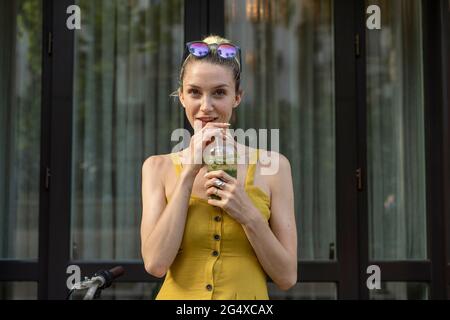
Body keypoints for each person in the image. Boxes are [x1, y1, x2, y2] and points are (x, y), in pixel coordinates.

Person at [140, 35, 297, 300]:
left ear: (237, 97)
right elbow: (155, 264)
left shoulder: (274, 166)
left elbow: (286, 277)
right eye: (194, 92)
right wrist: (189, 173)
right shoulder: (157, 167)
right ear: (181, 97)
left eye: (219, 93)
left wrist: (247, 213)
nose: (206, 106)